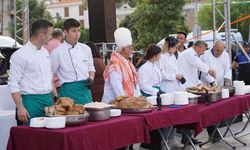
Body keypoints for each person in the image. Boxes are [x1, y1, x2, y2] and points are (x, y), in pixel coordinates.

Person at [8, 19, 56, 124]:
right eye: (50, 34)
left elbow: (49, 77)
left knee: (49, 138)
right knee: (30, 138)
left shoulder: (45, 52)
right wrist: (20, 107)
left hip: (48, 101)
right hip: (30, 102)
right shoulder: (20, 55)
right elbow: (13, 82)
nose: (51, 37)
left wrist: (56, 97)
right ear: (42, 35)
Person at [177, 40, 216, 145]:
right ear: (198, 47)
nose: (203, 53)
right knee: (188, 115)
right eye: (202, 50)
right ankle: (186, 138)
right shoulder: (189, 53)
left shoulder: (193, 55)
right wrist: (209, 70)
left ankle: (188, 138)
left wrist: (201, 84)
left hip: (191, 86)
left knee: (190, 114)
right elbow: (199, 65)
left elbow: (194, 74)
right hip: (184, 88)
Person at [51, 18, 95, 104]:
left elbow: (91, 68)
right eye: (74, 31)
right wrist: (56, 96)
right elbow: (49, 76)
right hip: (68, 92)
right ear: (65, 32)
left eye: (79, 30)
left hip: (85, 90)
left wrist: (91, 79)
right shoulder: (57, 52)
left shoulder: (86, 48)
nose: (77, 34)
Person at [102, 27, 140, 104]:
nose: (132, 49)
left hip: (127, 102)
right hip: (113, 103)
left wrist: (138, 98)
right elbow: (117, 87)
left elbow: (134, 84)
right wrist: (126, 102)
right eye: (130, 47)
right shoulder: (115, 65)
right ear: (123, 49)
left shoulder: (128, 63)